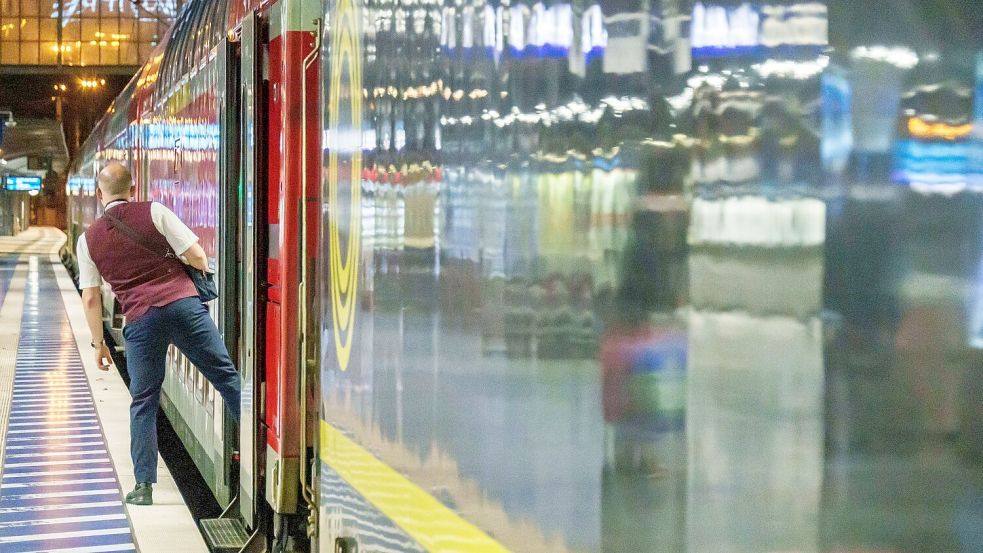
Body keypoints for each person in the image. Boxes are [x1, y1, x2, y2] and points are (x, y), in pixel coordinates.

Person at [78, 162, 241, 506]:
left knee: (144, 400)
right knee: (227, 378)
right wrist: (197, 272)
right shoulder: (154, 210)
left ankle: (143, 487)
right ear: (133, 188)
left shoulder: (88, 239)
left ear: (98, 193)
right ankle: (256, 448)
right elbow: (196, 254)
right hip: (183, 308)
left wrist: (99, 344)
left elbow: (91, 297)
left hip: (140, 320)